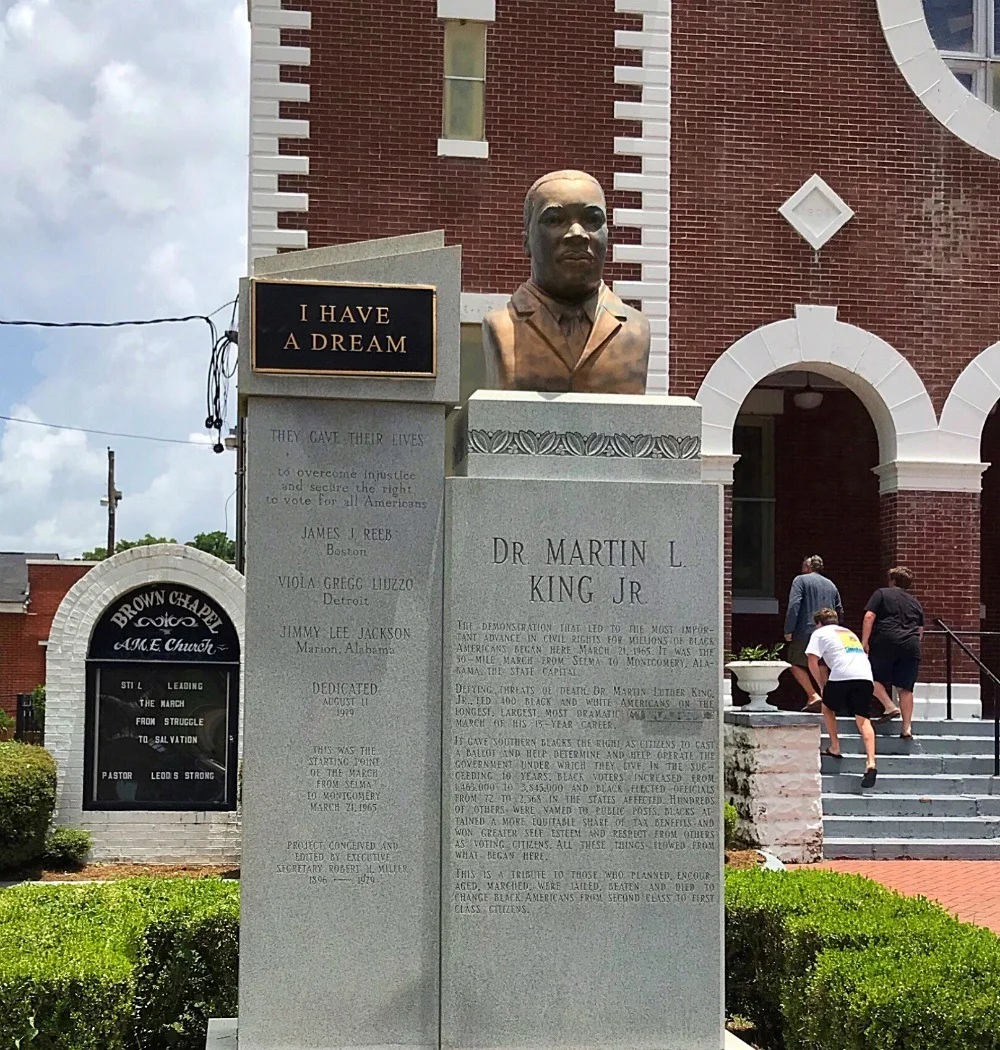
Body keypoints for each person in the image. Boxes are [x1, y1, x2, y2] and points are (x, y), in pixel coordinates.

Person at [483, 170, 650, 394]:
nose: (577, 234)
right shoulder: (502, 327)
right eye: (554, 220)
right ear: (526, 242)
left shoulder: (636, 329)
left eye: (592, 219)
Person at [806, 608, 878, 788]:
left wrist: (822, 686)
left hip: (842, 675)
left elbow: (812, 661)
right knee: (863, 719)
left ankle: (835, 746)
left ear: (819, 623)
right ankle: (870, 763)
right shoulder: (848, 632)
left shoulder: (819, 633)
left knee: (827, 707)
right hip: (865, 676)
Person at [861, 566, 925, 740]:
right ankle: (907, 728)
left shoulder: (882, 593)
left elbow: (869, 617)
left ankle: (889, 706)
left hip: (886, 639)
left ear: (893, 581)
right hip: (911, 643)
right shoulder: (915, 602)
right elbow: (920, 630)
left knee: (869, 677)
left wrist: (864, 643)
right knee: (906, 687)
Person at [783, 555, 844, 711]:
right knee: (822, 664)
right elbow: (839, 610)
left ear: (807, 567)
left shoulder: (800, 580)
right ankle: (826, 699)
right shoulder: (831, 585)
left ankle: (813, 695)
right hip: (828, 630)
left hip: (806, 629)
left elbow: (794, 605)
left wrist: (789, 629)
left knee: (793, 662)